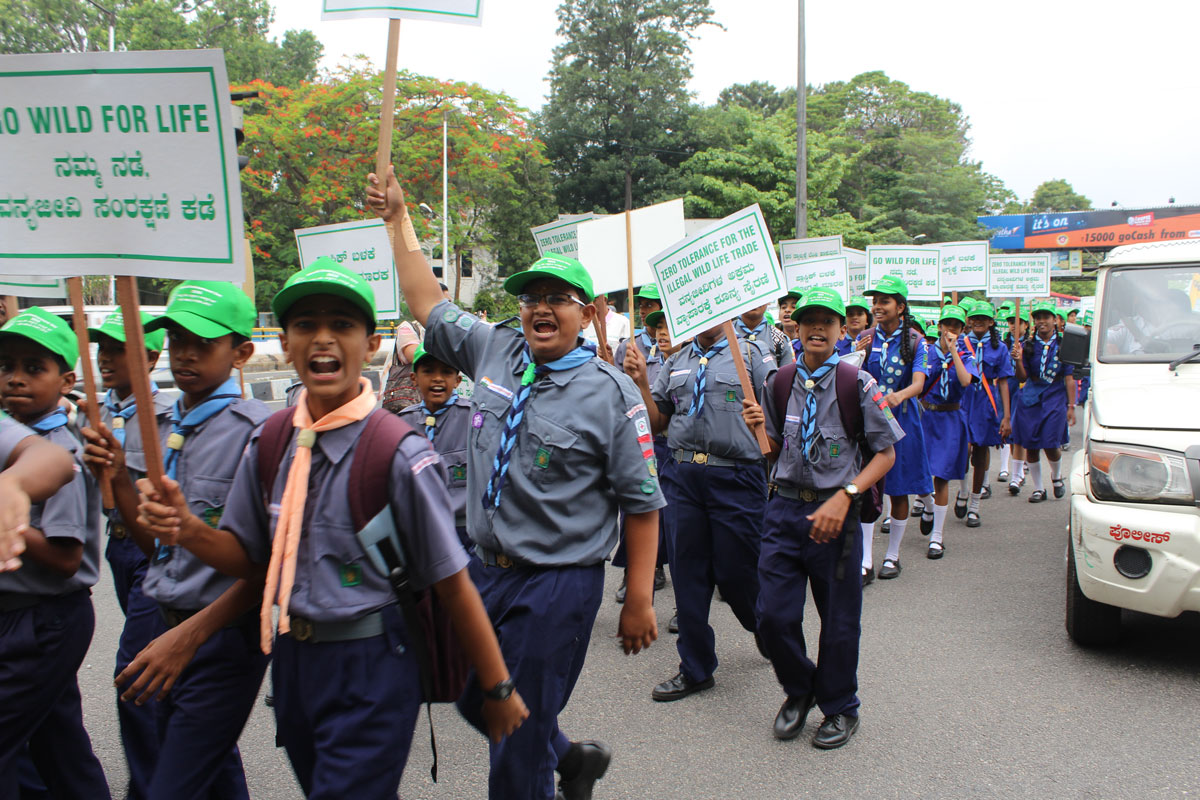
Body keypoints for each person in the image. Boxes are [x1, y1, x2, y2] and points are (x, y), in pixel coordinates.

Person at [138, 260, 528, 797]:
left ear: (370, 345)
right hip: (295, 663)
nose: (323, 338)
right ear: (285, 344)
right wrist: (187, 529)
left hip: (372, 662)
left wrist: (497, 685)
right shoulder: (270, 441)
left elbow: (452, 583)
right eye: (306, 325)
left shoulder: (398, 452)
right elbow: (253, 561)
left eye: (342, 325)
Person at [370, 166, 663, 800]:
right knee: (470, 693)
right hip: (484, 570)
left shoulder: (611, 394)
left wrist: (638, 596)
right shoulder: (494, 350)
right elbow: (426, 301)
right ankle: (571, 759)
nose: (540, 308)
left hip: (556, 583)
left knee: (515, 750)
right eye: (531, 298)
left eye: (557, 298)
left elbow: (642, 504)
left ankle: (541, 768)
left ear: (586, 313)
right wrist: (397, 220)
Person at [85, 281, 270, 800]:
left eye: (203, 343)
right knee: (207, 775)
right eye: (177, 340)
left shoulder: (257, 433)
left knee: (173, 782)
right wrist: (119, 478)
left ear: (241, 353)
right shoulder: (170, 425)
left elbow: (267, 565)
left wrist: (188, 637)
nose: (185, 353)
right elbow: (159, 552)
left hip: (220, 633)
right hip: (165, 616)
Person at [742, 287, 900, 749]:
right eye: (809, 320)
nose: (816, 328)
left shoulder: (858, 383)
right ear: (795, 327)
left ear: (840, 329)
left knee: (839, 618)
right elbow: (772, 450)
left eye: (827, 322)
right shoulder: (779, 382)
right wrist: (756, 428)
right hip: (784, 509)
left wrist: (847, 495)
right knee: (771, 615)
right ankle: (800, 688)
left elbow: (885, 454)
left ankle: (841, 705)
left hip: (836, 512)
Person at [624, 312, 775, 704]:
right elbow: (658, 420)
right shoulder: (677, 360)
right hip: (683, 475)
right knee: (687, 573)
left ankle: (763, 625)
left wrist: (765, 420)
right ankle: (695, 667)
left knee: (737, 574)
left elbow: (778, 414)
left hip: (737, 477)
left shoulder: (752, 355)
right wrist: (641, 381)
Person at [0, 308, 109, 798]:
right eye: (6, 366)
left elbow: (67, 560)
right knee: (57, 747)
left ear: (66, 381)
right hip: (26, 616)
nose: (15, 379)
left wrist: (13, 525)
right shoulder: (12, 443)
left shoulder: (59, 454)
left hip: (44, 619)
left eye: (33, 368)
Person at [87, 310, 172, 799]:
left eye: (119, 350)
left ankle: (148, 786)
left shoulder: (168, 416)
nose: (106, 358)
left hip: (153, 552)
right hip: (117, 547)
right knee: (166, 684)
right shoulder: (90, 412)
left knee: (133, 672)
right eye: (103, 348)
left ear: (152, 358)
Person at [854, 276, 931, 582]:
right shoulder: (865, 337)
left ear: (900, 307)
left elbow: (919, 383)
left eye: (884, 301)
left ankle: (893, 556)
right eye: (875, 301)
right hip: (869, 422)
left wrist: (899, 396)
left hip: (903, 422)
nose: (877, 306)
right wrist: (857, 354)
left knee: (898, 490)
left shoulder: (916, 341)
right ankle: (866, 560)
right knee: (867, 489)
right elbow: (851, 374)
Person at [612, 309, 672, 602]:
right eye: (657, 326)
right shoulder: (630, 347)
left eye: (666, 325)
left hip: (673, 444)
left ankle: (662, 568)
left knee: (670, 514)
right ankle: (634, 572)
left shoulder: (687, 357)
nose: (661, 332)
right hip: (639, 438)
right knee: (636, 506)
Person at [398, 343, 473, 550]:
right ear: (414, 378)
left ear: (457, 380)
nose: (437, 378)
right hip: (418, 530)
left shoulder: (473, 419)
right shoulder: (402, 423)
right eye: (428, 371)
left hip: (463, 532)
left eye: (446, 372)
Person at [919, 306, 977, 559]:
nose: (950, 329)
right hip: (926, 417)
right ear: (940, 325)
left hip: (950, 418)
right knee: (920, 472)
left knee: (941, 477)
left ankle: (937, 537)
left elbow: (965, 381)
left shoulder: (966, 355)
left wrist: (954, 351)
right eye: (947, 324)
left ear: (962, 329)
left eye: (956, 325)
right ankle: (928, 506)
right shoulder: (925, 351)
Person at [1011, 300, 1076, 503]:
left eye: (1046, 317)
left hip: (1055, 396)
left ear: (1055, 320)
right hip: (1031, 399)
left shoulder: (1064, 345)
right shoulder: (1027, 345)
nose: (1042, 321)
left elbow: (1069, 377)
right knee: (1031, 445)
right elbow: (1022, 377)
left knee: (1051, 442)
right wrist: (1018, 360)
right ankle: (1038, 488)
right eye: (1038, 318)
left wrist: (1071, 406)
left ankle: (1056, 476)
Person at [960, 302, 1013, 527]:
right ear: (969, 321)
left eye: (983, 318)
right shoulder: (961, 343)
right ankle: (962, 491)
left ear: (991, 322)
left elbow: (1004, 382)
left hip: (986, 402)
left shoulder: (999, 348)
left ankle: (974, 505)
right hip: (963, 399)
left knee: (980, 453)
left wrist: (1006, 416)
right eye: (975, 318)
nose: (978, 322)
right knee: (963, 449)